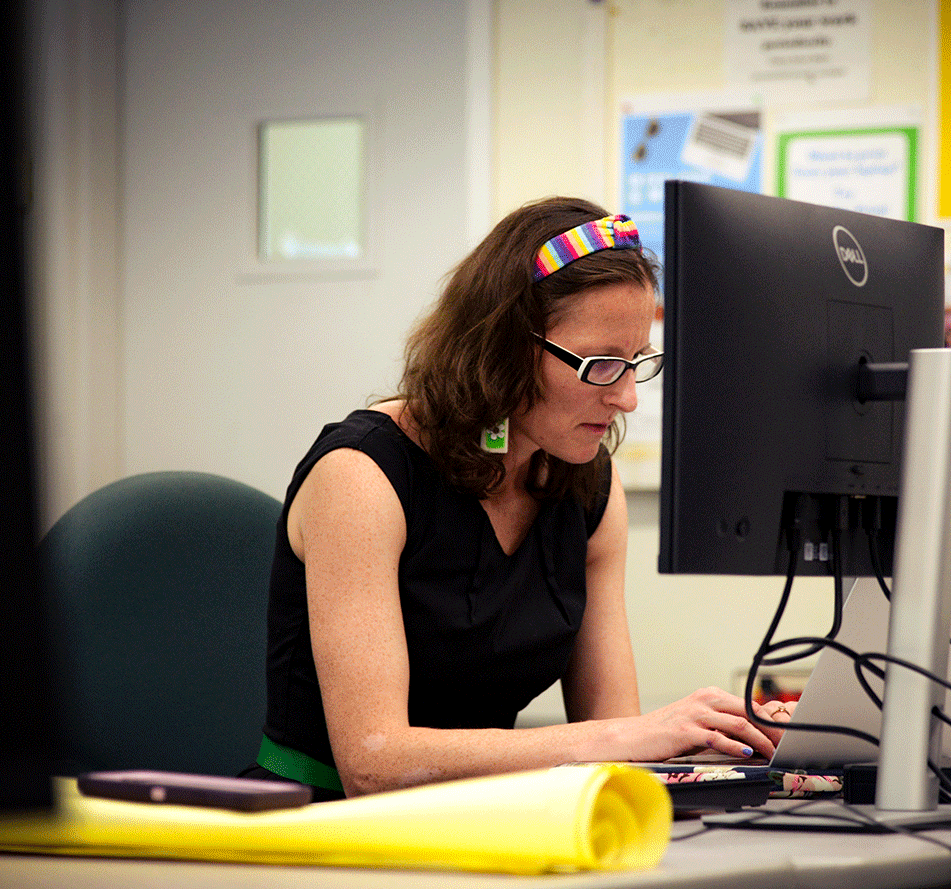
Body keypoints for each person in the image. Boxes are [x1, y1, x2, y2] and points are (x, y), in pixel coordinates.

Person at [245, 197, 795, 798]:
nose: (628, 398)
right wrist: (627, 737)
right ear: (503, 350)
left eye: (637, 361)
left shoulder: (588, 488)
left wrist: (719, 740)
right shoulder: (361, 477)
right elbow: (375, 764)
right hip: (316, 826)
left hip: (481, 819)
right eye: (601, 364)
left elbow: (615, 735)